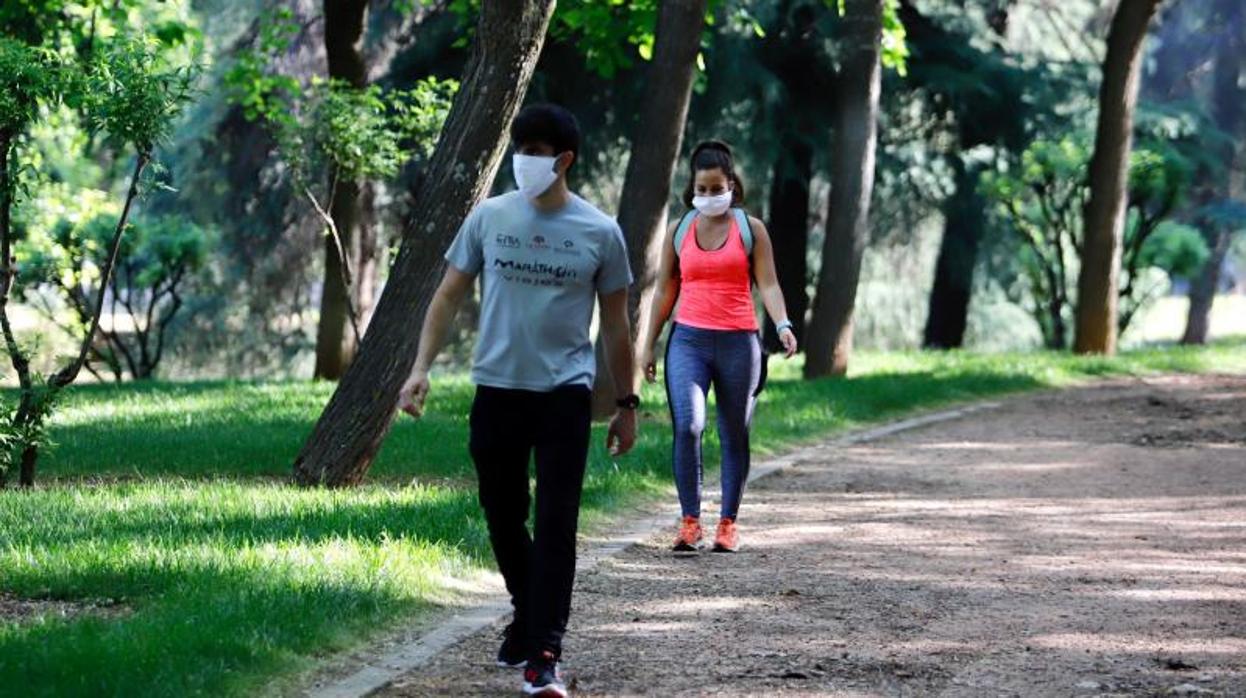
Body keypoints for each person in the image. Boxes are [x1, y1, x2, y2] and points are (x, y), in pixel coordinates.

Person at [397, 103, 639, 698]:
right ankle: (526, 611)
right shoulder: (489, 217)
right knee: (503, 513)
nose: (525, 161)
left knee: (557, 524)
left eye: (537, 151)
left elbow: (617, 326)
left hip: (564, 396)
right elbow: (448, 295)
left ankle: (545, 654)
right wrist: (419, 368)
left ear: (565, 161)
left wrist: (627, 403)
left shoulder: (600, 232)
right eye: (521, 149)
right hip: (497, 391)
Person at [637, 140, 797, 555]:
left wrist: (782, 324)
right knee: (688, 427)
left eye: (716, 188)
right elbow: (664, 291)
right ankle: (690, 523)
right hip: (687, 339)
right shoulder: (679, 230)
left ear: (732, 186)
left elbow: (769, 284)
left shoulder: (751, 230)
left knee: (734, 434)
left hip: (738, 343)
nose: (709, 196)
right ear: (692, 188)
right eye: (702, 189)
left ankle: (728, 524)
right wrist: (648, 343)